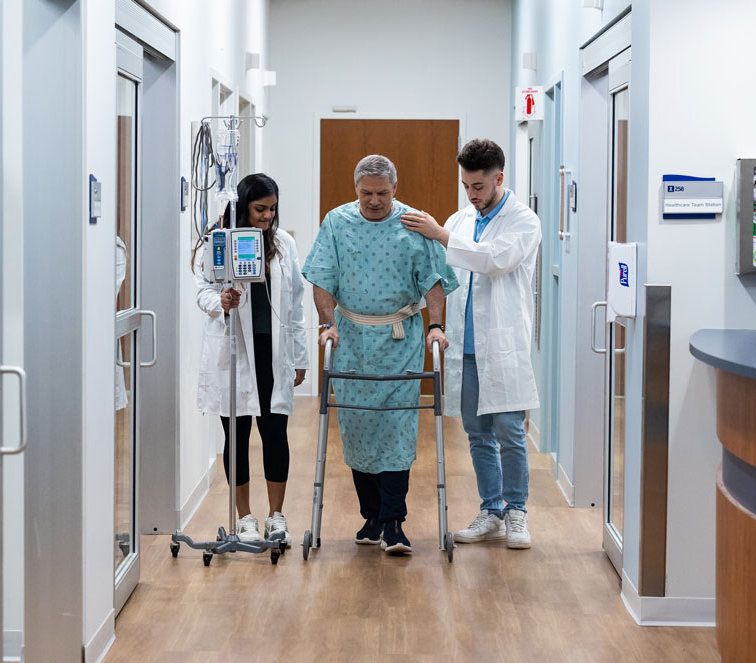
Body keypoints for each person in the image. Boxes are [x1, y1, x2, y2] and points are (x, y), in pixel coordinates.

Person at [303, 155, 458, 555]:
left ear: (395, 188)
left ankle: (393, 521)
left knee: (397, 429)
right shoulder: (336, 222)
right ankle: (371, 515)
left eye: (383, 193)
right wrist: (326, 324)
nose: (375, 201)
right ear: (356, 189)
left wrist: (436, 326)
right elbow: (321, 278)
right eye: (367, 193)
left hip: (399, 338)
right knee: (358, 429)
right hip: (351, 337)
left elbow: (434, 282)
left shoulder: (412, 224)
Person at [401, 139, 541, 549]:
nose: (472, 194)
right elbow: (447, 276)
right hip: (465, 347)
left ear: (499, 178)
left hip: (502, 344)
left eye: (478, 186)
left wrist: (441, 235)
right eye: (466, 186)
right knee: (477, 433)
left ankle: (517, 512)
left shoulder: (524, 221)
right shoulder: (460, 219)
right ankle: (491, 509)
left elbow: (492, 260)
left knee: (510, 432)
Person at [196, 173, 310, 545]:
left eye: (272, 209)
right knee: (237, 434)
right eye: (260, 208)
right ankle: (244, 517)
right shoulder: (217, 241)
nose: (267, 216)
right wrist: (221, 303)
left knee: (275, 433)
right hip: (235, 350)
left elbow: (295, 303)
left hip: (272, 352)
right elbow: (203, 290)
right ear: (242, 205)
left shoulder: (283, 243)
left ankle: (277, 517)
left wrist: (299, 355)